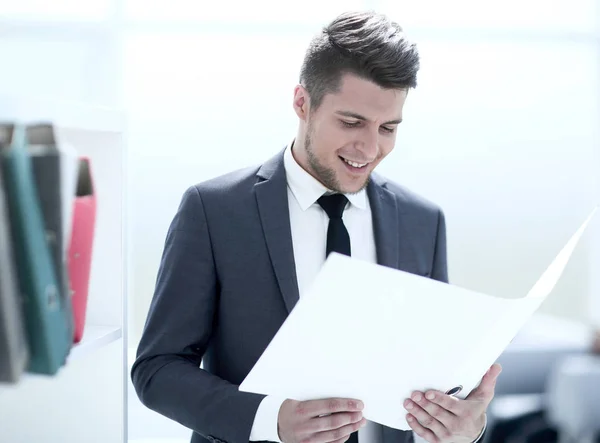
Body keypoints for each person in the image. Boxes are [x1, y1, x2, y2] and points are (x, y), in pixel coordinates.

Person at [131, 10, 502, 443]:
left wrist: (466, 427)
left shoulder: (423, 222)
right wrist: (271, 419)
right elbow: (157, 369)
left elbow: (437, 377)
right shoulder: (213, 211)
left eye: (388, 128)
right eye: (351, 122)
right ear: (302, 103)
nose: (369, 147)